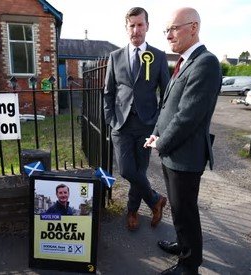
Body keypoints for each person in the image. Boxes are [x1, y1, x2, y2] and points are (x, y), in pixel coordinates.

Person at [143, 7, 222, 275]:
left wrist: (162, 143)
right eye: (166, 30)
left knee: (186, 210)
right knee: (178, 207)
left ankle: (189, 264)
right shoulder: (185, 61)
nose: (168, 35)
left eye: (174, 28)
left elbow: (188, 115)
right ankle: (183, 244)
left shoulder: (206, 62)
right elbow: (168, 107)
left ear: (194, 27)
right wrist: (156, 133)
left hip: (185, 155)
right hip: (172, 152)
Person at [103, 7, 170, 231]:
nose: (136, 29)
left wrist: (158, 125)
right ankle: (155, 200)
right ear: (126, 28)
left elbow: (166, 95)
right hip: (121, 124)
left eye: (140, 25)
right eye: (132, 25)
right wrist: (110, 118)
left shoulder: (158, 57)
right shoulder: (115, 57)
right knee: (126, 170)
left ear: (147, 26)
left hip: (146, 124)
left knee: (139, 171)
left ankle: (132, 211)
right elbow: (109, 92)